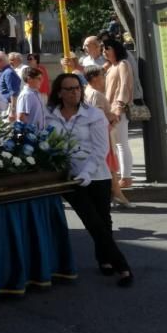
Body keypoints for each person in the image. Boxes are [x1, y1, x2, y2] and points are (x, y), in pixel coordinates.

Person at [45, 74, 133, 287]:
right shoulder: (50, 115)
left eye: (77, 88)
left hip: (96, 175)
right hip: (69, 178)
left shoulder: (94, 114)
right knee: (92, 221)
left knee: (103, 219)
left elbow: (101, 149)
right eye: (69, 89)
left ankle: (104, 259)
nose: (74, 91)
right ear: (59, 93)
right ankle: (122, 266)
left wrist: (86, 173)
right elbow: (47, 143)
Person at [84, 65, 130, 208]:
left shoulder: (88, 91)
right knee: (109, 166)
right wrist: (112, 117)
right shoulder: (96, 95)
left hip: (99, 134)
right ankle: (117, 195)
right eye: (102, 76)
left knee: (109, 166)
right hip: (103, 134)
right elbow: (98, 115)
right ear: (94, 78)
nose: (104, 78)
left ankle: (117, 195)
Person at [103, 38, 135, 189]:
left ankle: (126, 177)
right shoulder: (110, 67)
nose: (105, 51)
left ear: (115, 49)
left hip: (118, 110)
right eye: (104, 49)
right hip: (110, 110)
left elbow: (124, 86)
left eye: (107, 48)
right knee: (114, 145)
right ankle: (119, 176)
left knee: (121, 144)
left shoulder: (123, 64)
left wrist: (119, 106)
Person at [0, 51, 22, 120]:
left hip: (7, 110)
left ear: (0, 60)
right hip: (2, 109)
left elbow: (14, 93)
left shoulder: (9, 73)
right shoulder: (3, 72)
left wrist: (12, 111)